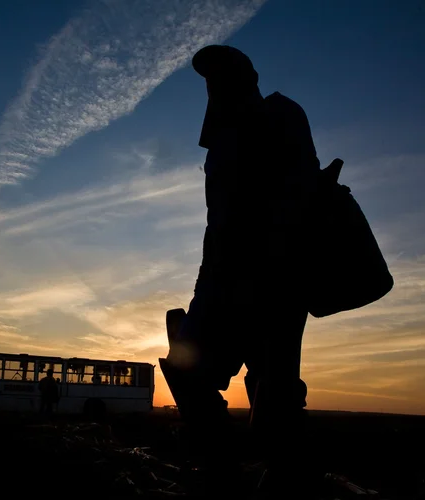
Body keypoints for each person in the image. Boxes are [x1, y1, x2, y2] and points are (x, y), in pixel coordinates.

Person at [163, 45, 321, 496]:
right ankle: (223, 471)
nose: (214, 84)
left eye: (223, 74)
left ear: (246, 78)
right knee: (189, 370)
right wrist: (205, 284)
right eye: (209, 78)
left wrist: (273, 266)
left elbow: (299, 195)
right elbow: (218, 225)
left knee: (275, 391)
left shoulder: (281, 114)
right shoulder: (221, 143)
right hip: (221, 279)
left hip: (275, 279)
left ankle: (285, 477)